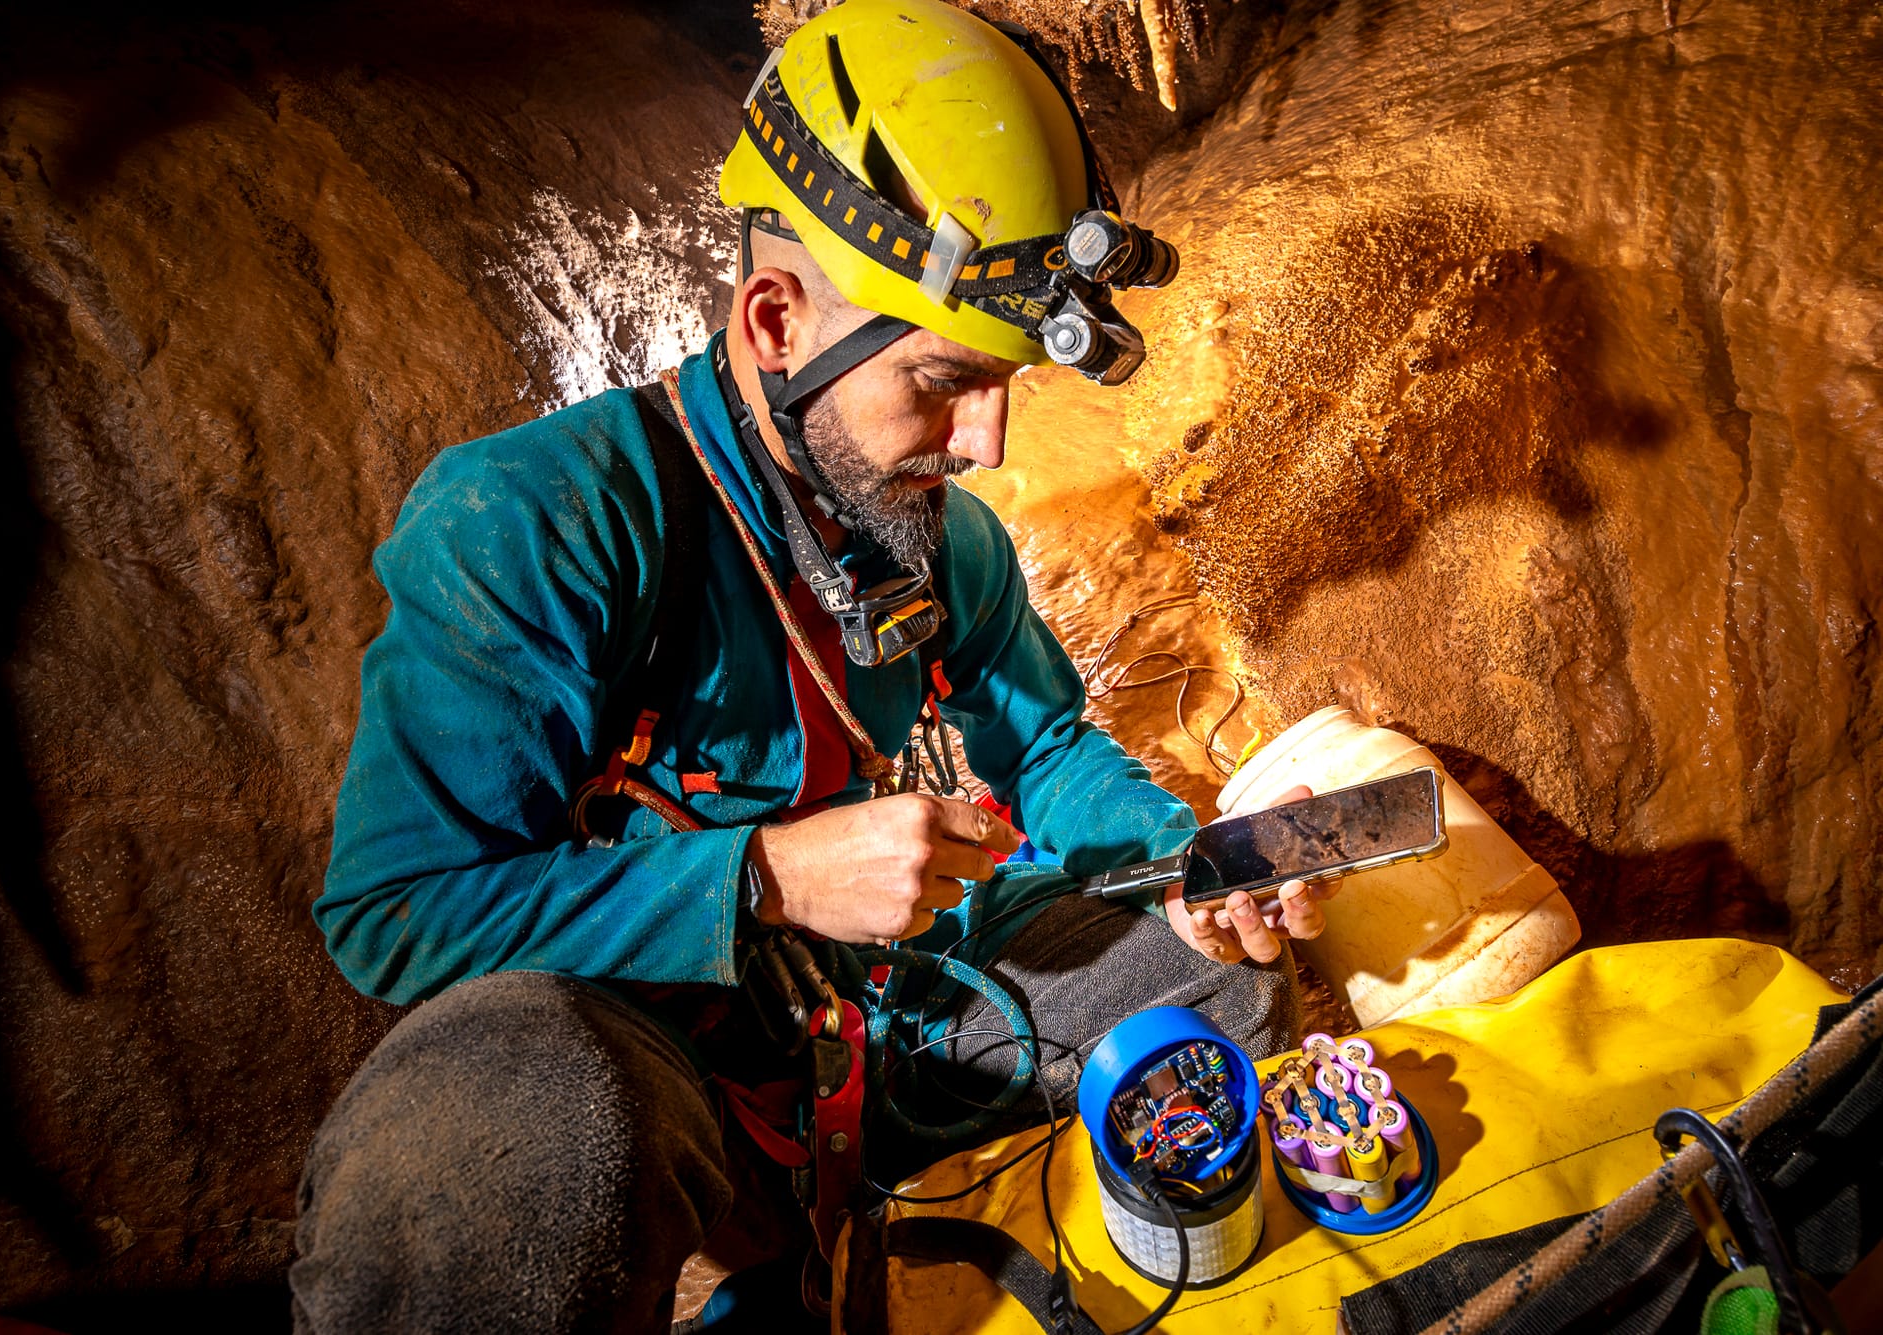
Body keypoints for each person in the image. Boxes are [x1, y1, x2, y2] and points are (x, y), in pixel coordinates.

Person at [288, 3, 1331, 1331]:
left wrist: (1189, 861)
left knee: (1212, 981)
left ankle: (921, 1249)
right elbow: (401, 914)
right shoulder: (536, 518)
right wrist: (767, 878)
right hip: (652, 1063)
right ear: (775, 321)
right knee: (512, 1120)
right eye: (947, 382)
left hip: (891, 1029)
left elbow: (1051, 747)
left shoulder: (946, 543)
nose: (988, 440)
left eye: (1007, 382)